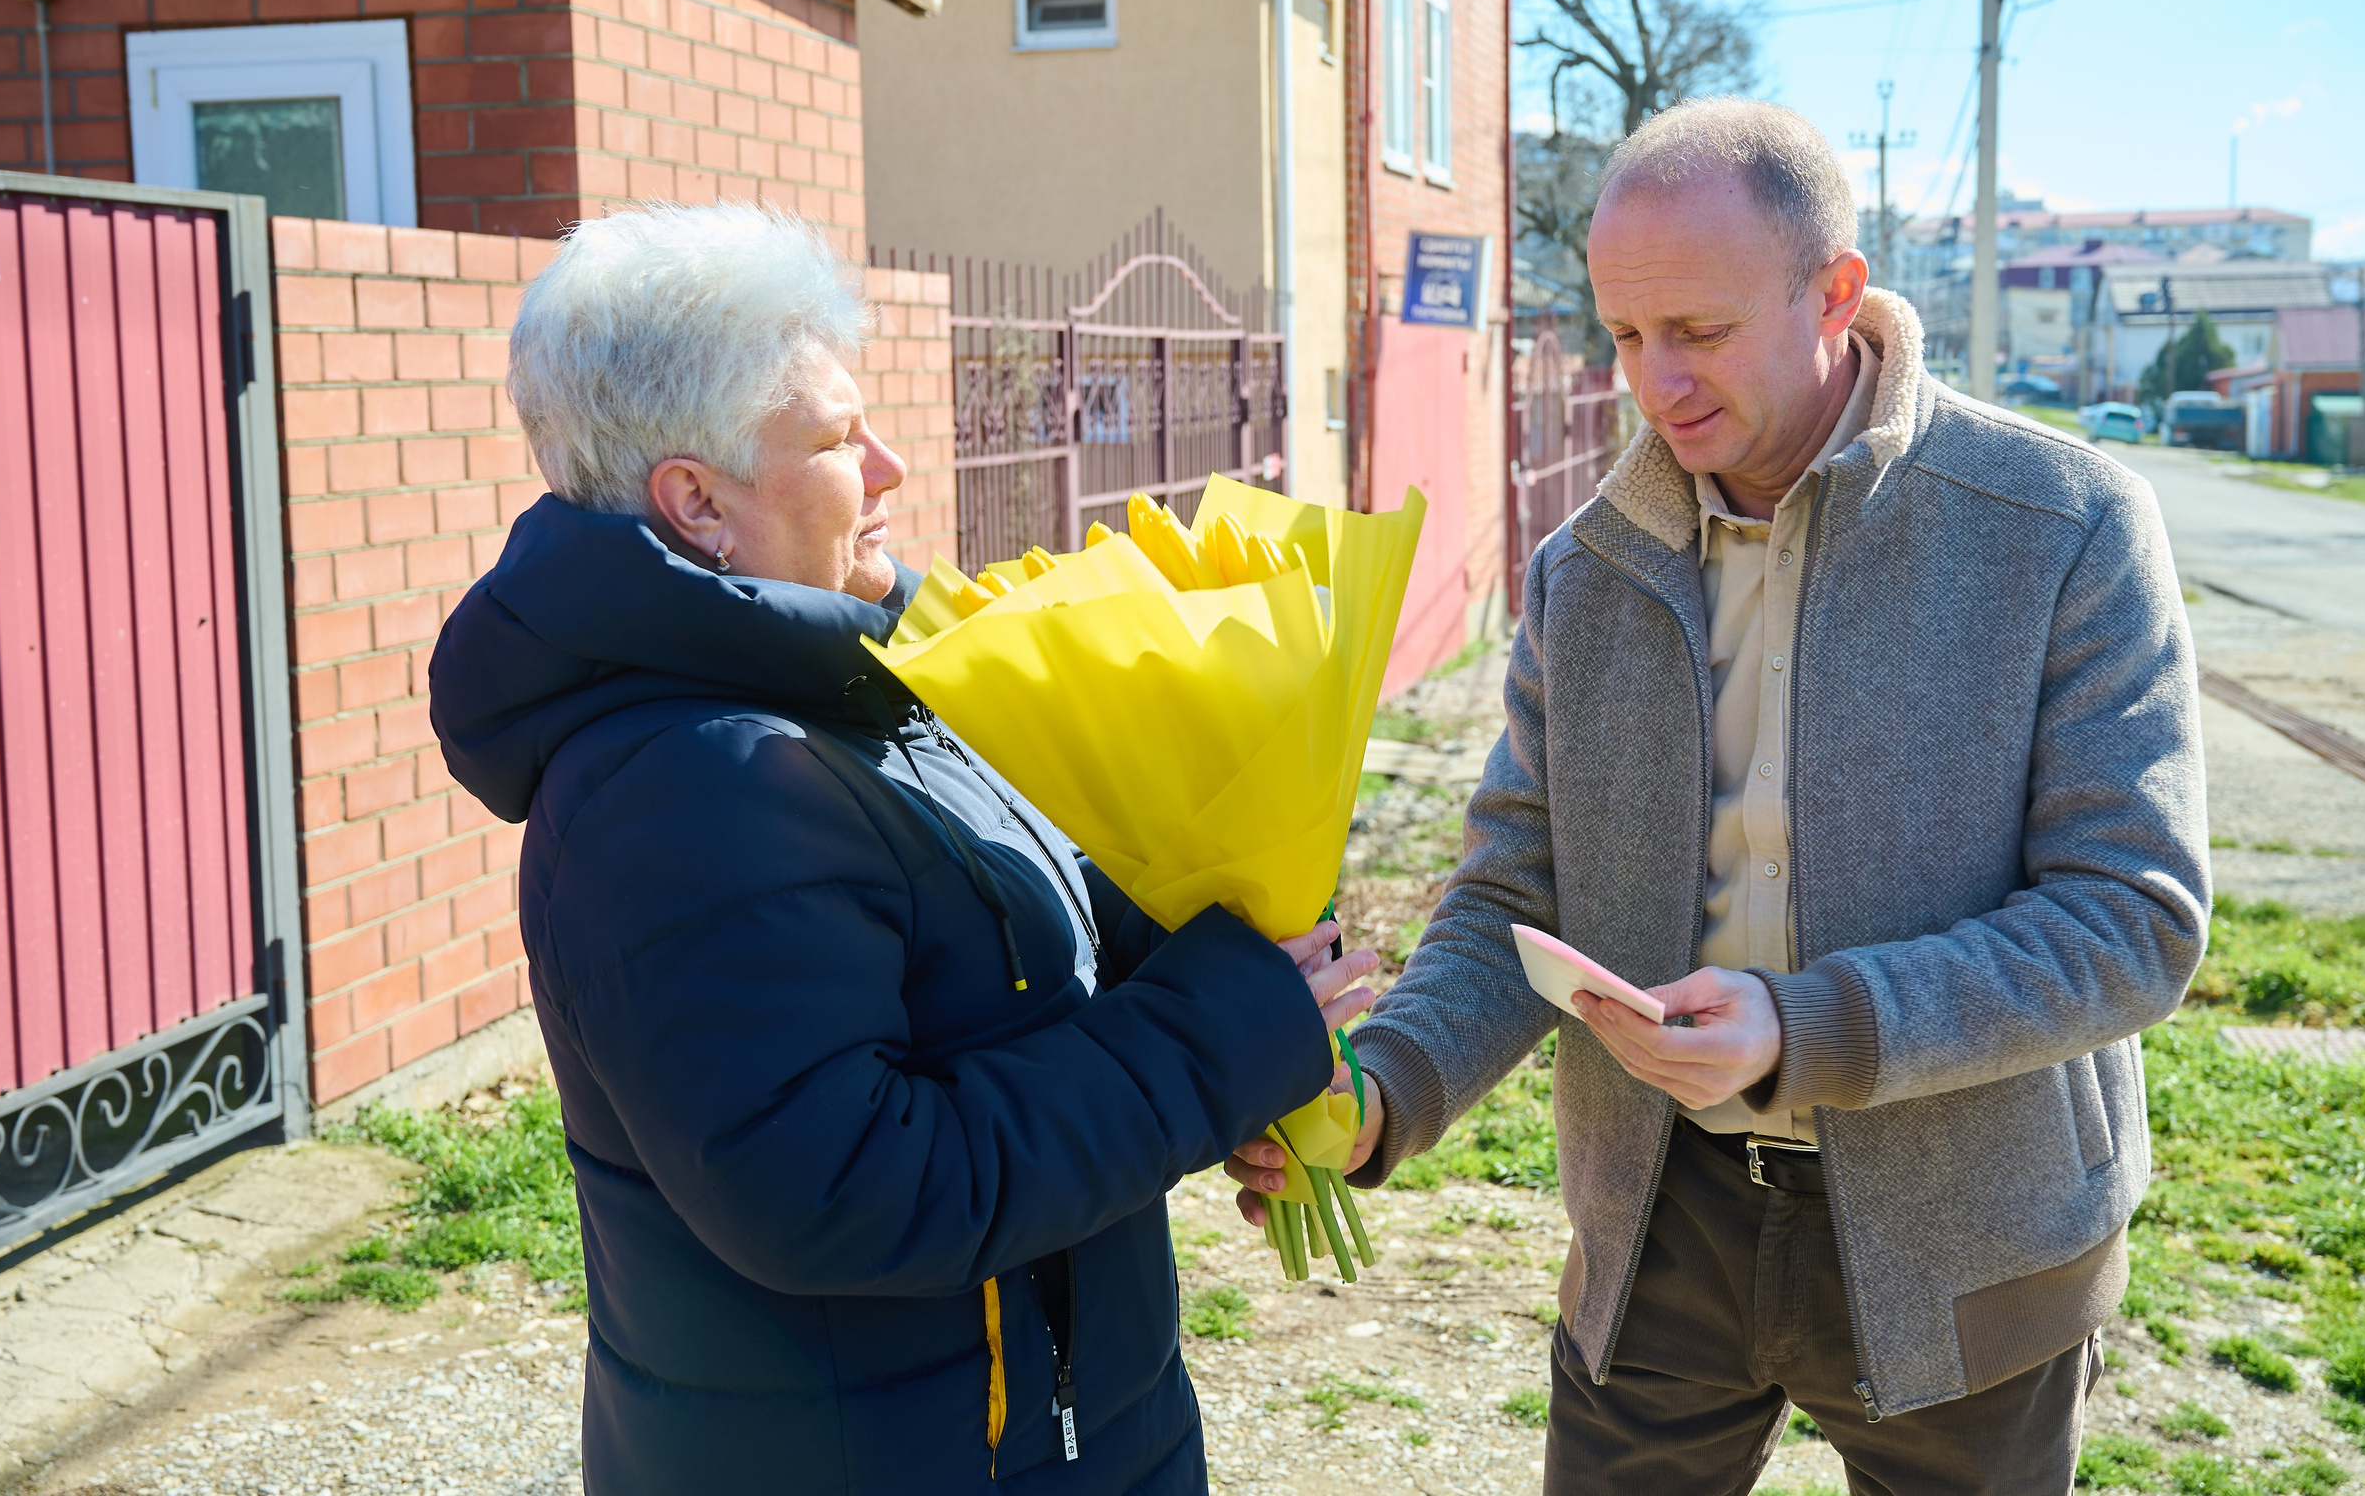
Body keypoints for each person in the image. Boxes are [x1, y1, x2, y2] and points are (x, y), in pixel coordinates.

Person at [1233, 98, 2208, 1492]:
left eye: (1699, 332)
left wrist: (1802, 1027)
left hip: (1970, 1234)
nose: (1655, 383)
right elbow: (1516, 890)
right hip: (1660, 1228)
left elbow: (2133, 922)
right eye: (1626, 336)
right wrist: (1384, 1090)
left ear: (1837, 294)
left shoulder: (2066, 524)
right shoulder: (1587, 570)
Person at [429, 203, 1377, 1494]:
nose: (887, 467)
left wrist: (1251, 1000)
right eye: (833, 441)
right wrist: (1218, 1038)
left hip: (1057, 1425)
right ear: (697, 501)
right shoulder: (691, 781)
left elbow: (1020, 971)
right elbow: (848, 1188)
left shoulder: (871, 684)